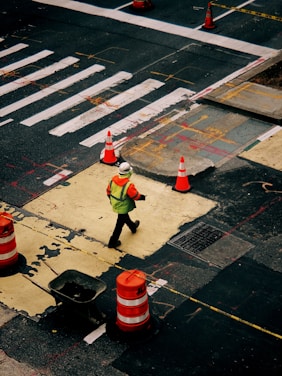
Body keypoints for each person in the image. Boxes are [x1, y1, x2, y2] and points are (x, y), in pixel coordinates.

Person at [106, 162, 146, 248]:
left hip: (115, 203)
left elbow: (108, 191)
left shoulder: (113, 179)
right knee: (119, 224)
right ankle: (112, 242)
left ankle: (133, 227)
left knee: (124, 217)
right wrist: (142, 197)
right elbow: (135, 196)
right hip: (123, 206)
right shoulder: (128, 185)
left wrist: (112, 200)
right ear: (129, 173)